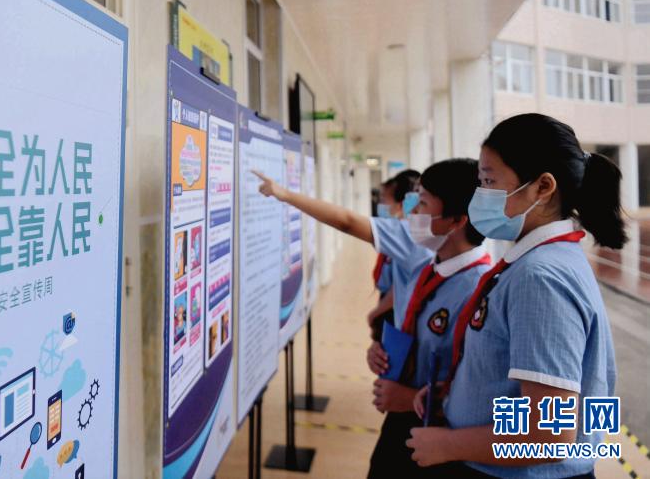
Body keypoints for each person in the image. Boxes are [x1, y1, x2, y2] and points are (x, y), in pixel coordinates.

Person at [406, 114, 624, 478]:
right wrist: (462, 393)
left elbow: (549, 434)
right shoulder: (535, 262)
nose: (480, 195)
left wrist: (447, 444)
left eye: (489, 181)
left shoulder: (540, 277)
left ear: (543, 187)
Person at [255, 159, 491, 477]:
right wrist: (384, 351)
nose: (413, 212)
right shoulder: (430, 264)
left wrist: (410, 399)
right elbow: (414, 323)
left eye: (423, 204)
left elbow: (481, 390)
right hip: (400, 415)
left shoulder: (480, 292)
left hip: (440, 434)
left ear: (456, 221)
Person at [369, 170, 421, 340]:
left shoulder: (409, 237)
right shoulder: (396, 230)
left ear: (401, 202)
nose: (381, 204)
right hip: (389, 304)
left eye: (384, 199)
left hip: (394, 308)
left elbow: (347, 222)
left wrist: (375, 312)